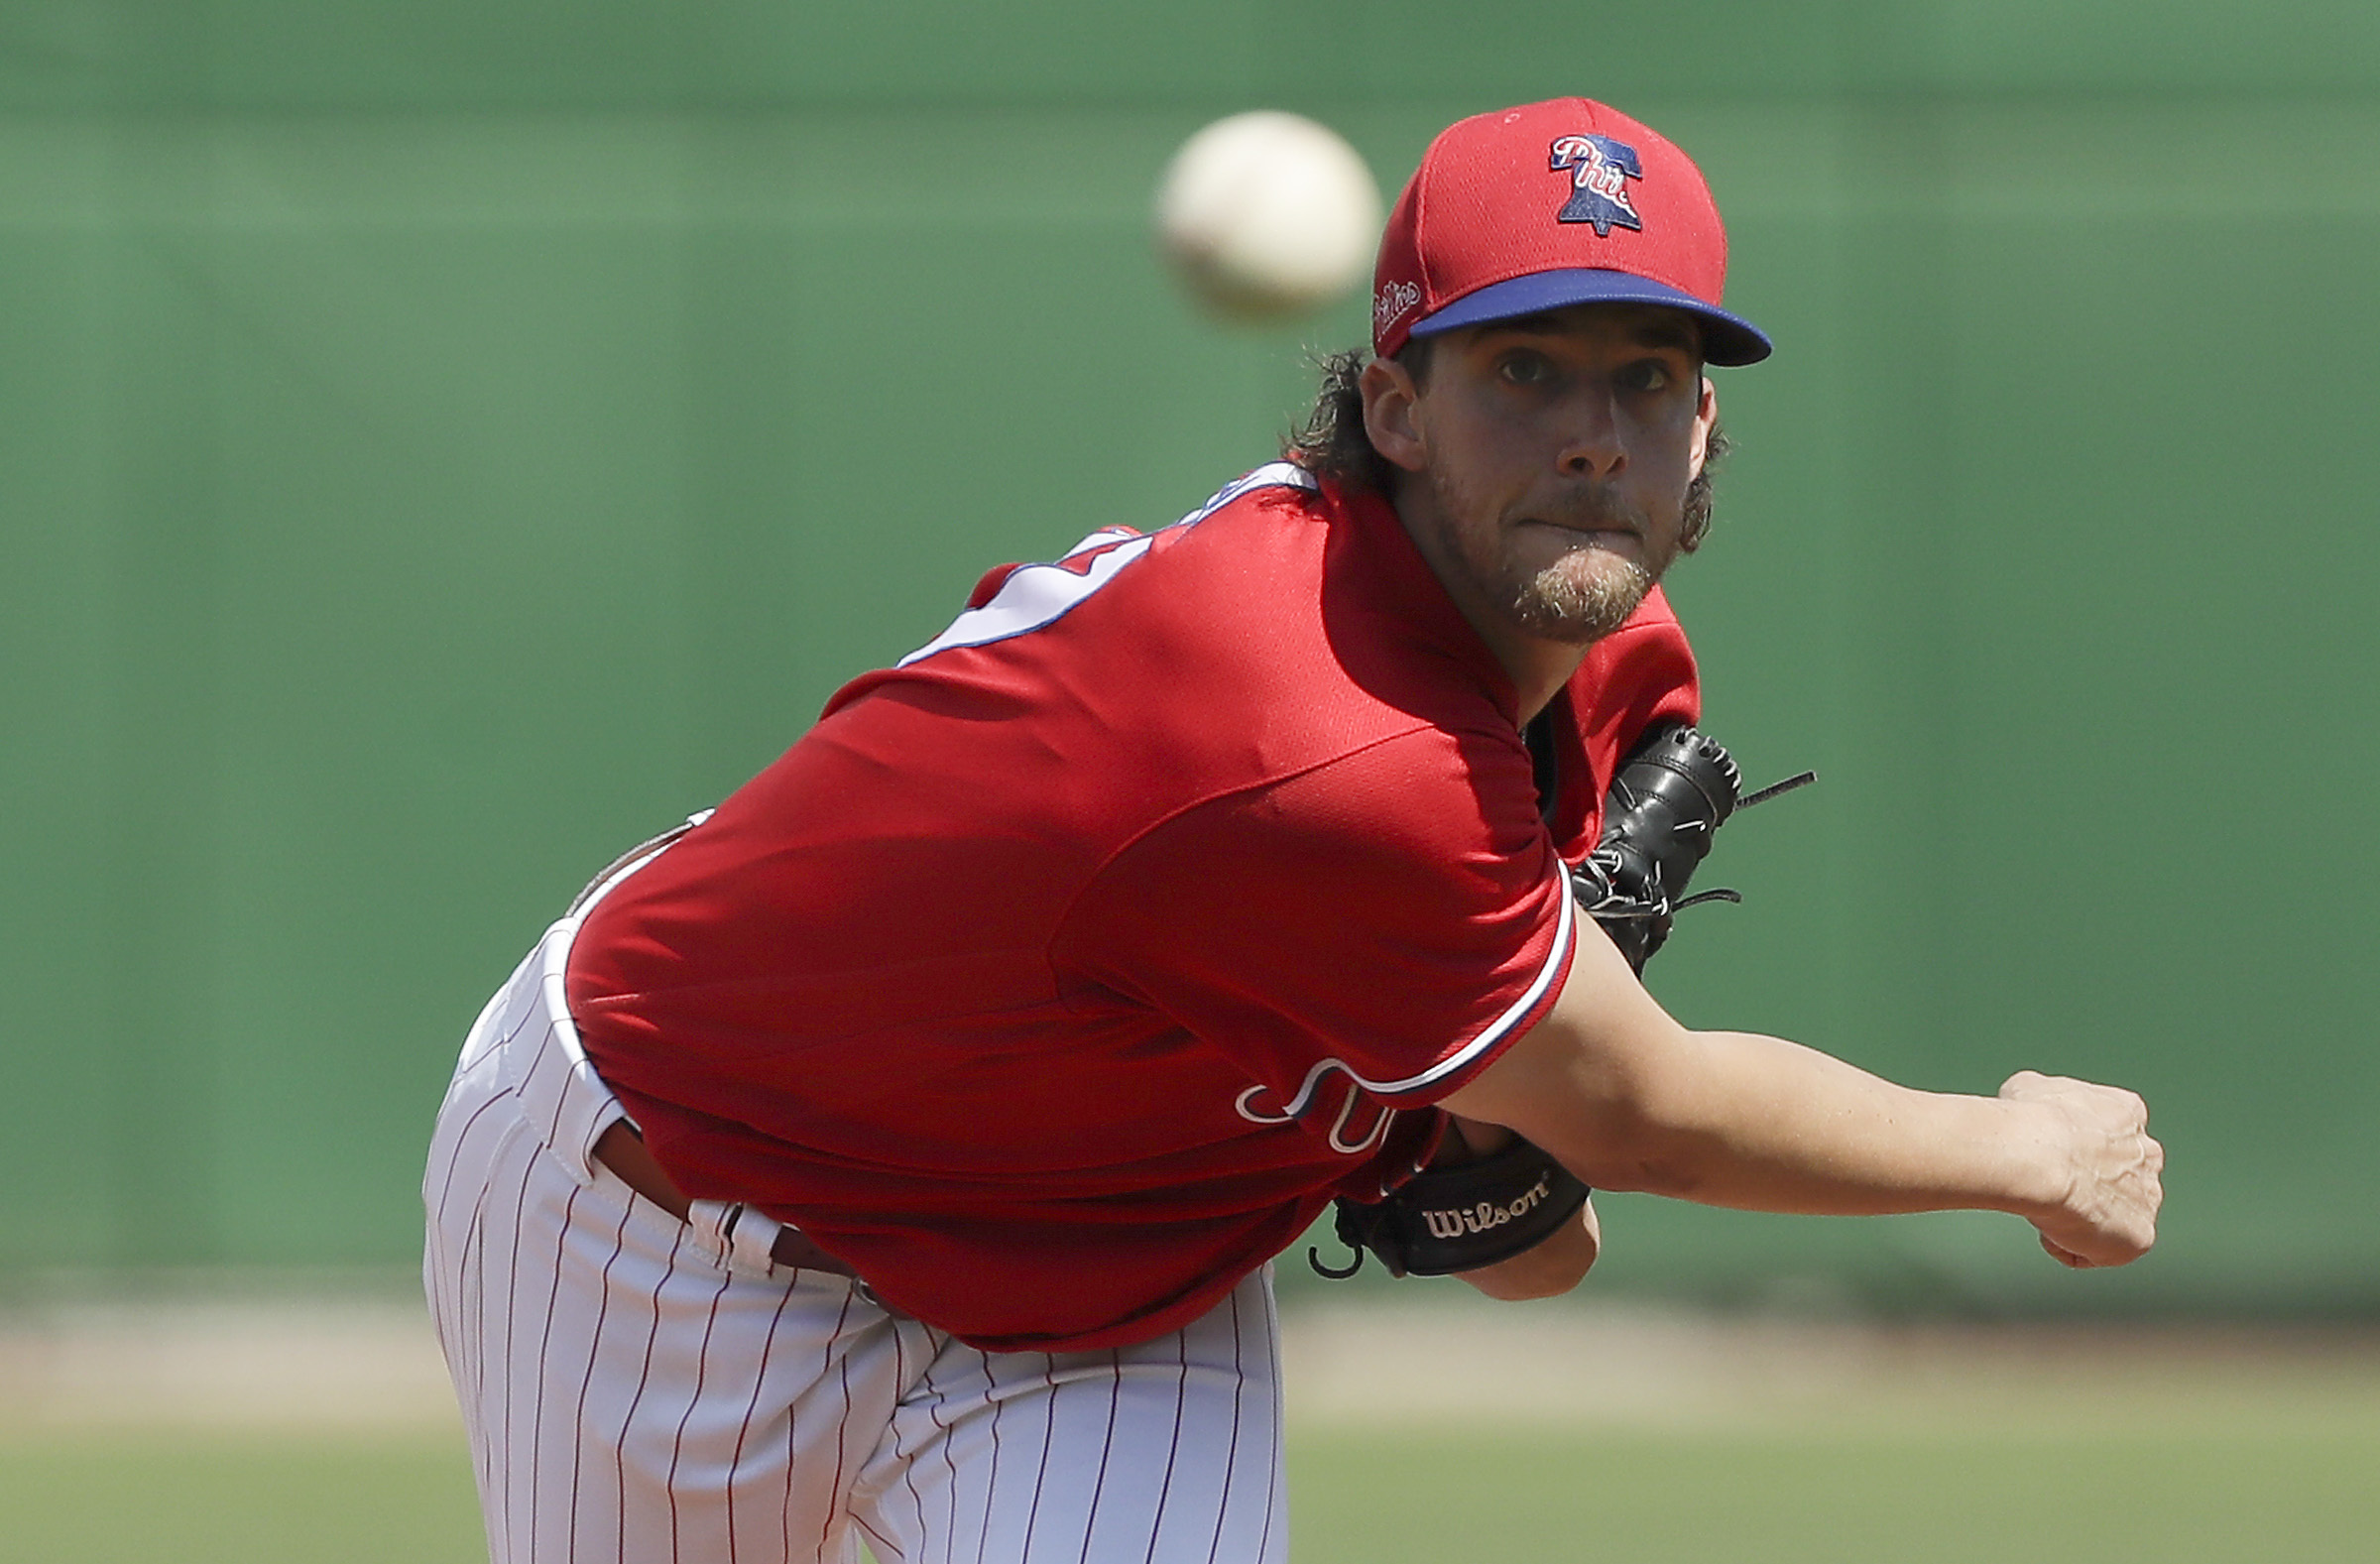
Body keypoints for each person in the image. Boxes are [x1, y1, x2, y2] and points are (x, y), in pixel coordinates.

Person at [423, 97, 2161, 1564]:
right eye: (1524, 368)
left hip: (1107, 1287)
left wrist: (1489, 1147)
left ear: (1706, 430)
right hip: (669, 1224)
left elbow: (1539, 1245)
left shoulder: (1611, 668)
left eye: (1645, 378)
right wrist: (2026, 1148)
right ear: (1393, 408)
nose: (1589, 436)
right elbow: (1646, 1114)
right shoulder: (1322, 727)